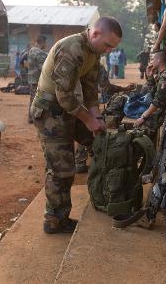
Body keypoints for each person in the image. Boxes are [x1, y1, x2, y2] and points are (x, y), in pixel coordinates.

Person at [30, 16, 122, 234]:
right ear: (95, 33)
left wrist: (97, 119)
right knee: (62, 169)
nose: (109, 50)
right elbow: (64, 97)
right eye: (107, 45)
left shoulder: (93, 53)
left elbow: (90, 92)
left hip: (68, 109)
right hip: (50, 111)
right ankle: (54, 220)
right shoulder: (71, 48)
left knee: (101, 142)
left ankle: (105, 194)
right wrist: (88, 120)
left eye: (113, 47)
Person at [74, 63, 136, 173]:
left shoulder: (76, 63)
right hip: (90, 104)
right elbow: (106, 88)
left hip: (73, 103)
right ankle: (99, 160)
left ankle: (80, 161)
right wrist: (124, 88)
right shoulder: (96, 66)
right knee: (94, 130)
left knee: (78, 131)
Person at [134, 50, 166, 140]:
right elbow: (147, 94)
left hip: (165, 111)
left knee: (140, 130)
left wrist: (143, 117)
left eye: (152, 59)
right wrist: (150, 77)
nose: (151, 62)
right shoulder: (161, 74)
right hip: (161, 108)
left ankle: (146, 149)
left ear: (158, 60)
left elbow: (158, 101)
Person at [25, 35, 48, 123]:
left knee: (33, 99)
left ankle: (31, 117)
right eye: (45, 43)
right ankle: (36, 118)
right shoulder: (39, 52)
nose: (46, 45)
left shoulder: (31, 50)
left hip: (32, 79)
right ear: (42, 42)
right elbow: (42, 68)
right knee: (40, 100)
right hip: (38, 80)